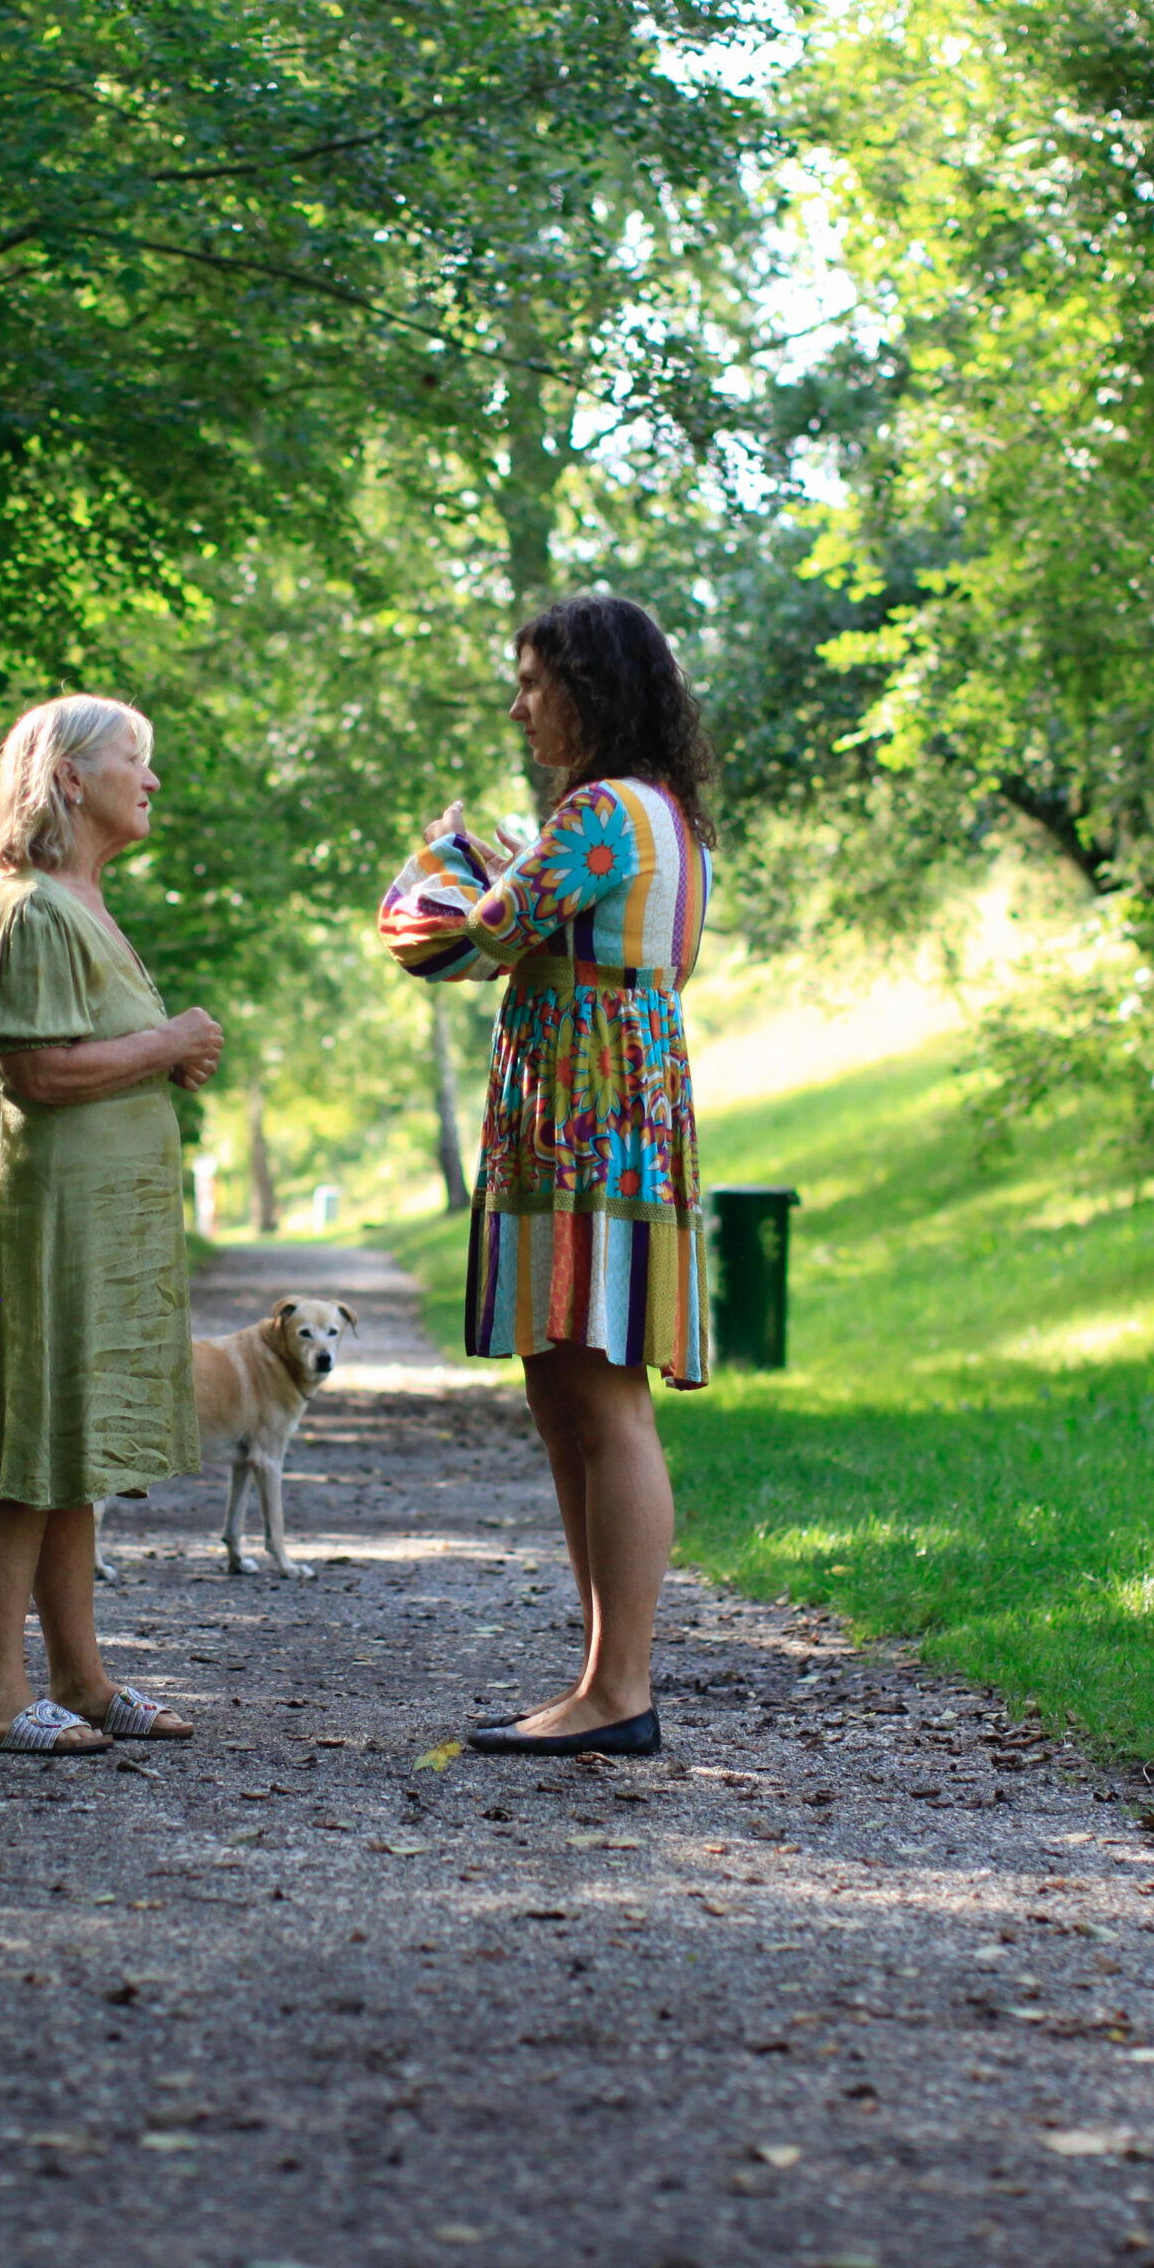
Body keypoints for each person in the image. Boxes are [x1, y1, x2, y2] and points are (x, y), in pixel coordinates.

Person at [379, 593, 715, 1756]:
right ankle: (600, 1681)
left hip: (589, 1118)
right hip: (602, 1110)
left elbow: (473, 935)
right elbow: (519, 924)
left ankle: (619, 1688)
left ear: (591, 686)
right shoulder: (659, 812)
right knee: (567, 1392)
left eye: (533, 683)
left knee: (599, 1397)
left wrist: (430, 870)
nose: (518, 707)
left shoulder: (602, 811)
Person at [0, 695, 224, 1754]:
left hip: (112, 1226)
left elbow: (96, 1049)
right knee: (30, 1442)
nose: (150, 780)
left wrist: (164, 1054)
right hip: (61, 1216)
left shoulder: (82, 902)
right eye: (132, 759)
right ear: (69, 777)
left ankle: (81, 1678)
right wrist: (166, 1044)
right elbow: (35, 1070)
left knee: (72, 1445)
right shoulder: (28, 905)